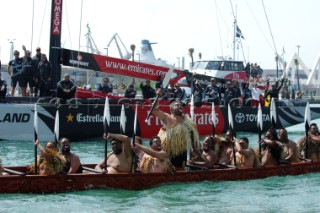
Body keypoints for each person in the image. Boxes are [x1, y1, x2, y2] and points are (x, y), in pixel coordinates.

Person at [153, 98, 200, 168]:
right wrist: (158, 96)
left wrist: (194, 150)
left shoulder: (188, 120)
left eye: (180, 105)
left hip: (186, 152)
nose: (180, 106)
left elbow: (192, 136)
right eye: (177, 105)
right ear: (171, 109)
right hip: (171, 152)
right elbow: (154, 110)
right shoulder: (167, 118)